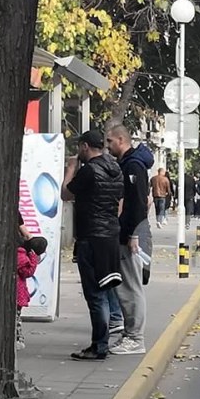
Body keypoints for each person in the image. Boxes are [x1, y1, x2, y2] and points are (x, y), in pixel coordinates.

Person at [62, 130, 124, 361]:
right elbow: (119, 202)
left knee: (95, 295)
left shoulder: (89, 170)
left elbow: (65, 194)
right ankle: (102, 342)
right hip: (110, 236)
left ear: (85, 146)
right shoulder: (115, 168)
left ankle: (99, 345)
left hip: (90, 237)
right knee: (105, 287)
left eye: (79, 147)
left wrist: (70, 169)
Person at [106, 125, 150, 355]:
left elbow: (139, 203)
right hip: (126, 233)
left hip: (130, 235)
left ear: (121, 139)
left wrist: (133, 234)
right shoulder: (127, 164)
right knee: (125, 287)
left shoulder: (133, 166)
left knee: (131, 287)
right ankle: (130, 334)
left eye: (110, 141)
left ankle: (135, 338)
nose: (108, 146)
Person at [16, 236, 48, 350]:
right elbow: (27, 272)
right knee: (17, 317)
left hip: (16, 289)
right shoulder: (23, 258)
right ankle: (18, 339)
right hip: (18, 290)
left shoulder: (18, 251)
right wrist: (33, 260)